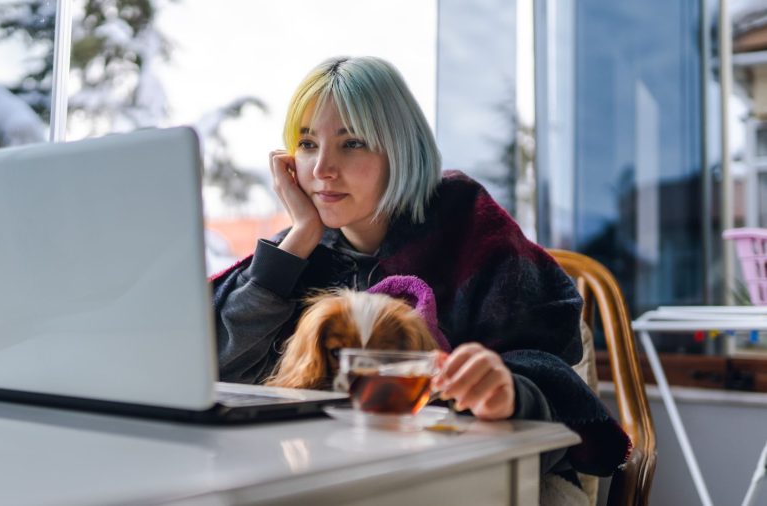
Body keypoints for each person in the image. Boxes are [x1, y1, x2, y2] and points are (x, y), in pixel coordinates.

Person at [210, 56, 629, 501]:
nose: (321, 169)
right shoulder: (300, 250)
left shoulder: (469, 227)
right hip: (330, 472)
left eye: (351, 143)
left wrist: (509, 389)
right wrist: (300, 238)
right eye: (308, 143)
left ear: (401, 149)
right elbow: (217, 371)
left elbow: (554, 372)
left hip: (478, 472)